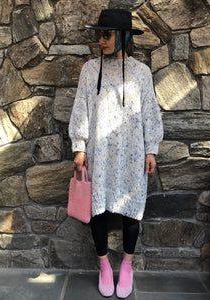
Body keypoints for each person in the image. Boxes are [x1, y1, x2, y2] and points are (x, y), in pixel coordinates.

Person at [68, 9, 164, 299]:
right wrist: (79, 146)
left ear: (122, 36)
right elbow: (81, 109)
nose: (102, 40)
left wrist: (151, 149)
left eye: (107, 34)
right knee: (97, 210)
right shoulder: (89, 70)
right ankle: (104, 266)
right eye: (99, 34)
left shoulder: (141, 73)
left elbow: (150, 112)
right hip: (99, 153)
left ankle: (127, 265)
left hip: (131, 153)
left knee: (131, 210)